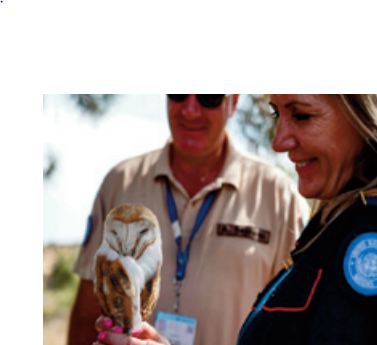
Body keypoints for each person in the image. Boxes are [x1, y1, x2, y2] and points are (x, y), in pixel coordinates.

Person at [68, 94, 308, 345]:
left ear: (234, 101)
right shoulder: (121, 183)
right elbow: (87, 315)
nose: (190, 110)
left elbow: (297, 328)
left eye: (209, 97)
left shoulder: (280, 197)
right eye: (178, 94)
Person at [237, 94, 377, 344]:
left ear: (362, 114)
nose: (278, 142)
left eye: (302, 116)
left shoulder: (365, 233)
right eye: (276, 114)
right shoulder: (336, 219)